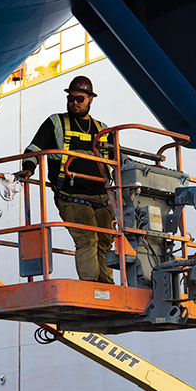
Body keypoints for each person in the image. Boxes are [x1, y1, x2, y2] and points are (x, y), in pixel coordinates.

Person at [14, 75, 116, 284]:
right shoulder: (56, 122)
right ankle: (92, 289)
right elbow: (35, 148)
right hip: (71, 195)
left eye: (79, 99)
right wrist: (28, 168)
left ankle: (107, 288)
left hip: (102, 196)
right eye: (71, 99)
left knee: (105, 242)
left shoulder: (102, 129)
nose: (74, 103)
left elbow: (117, 158)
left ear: (90, 99)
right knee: (87, 239)